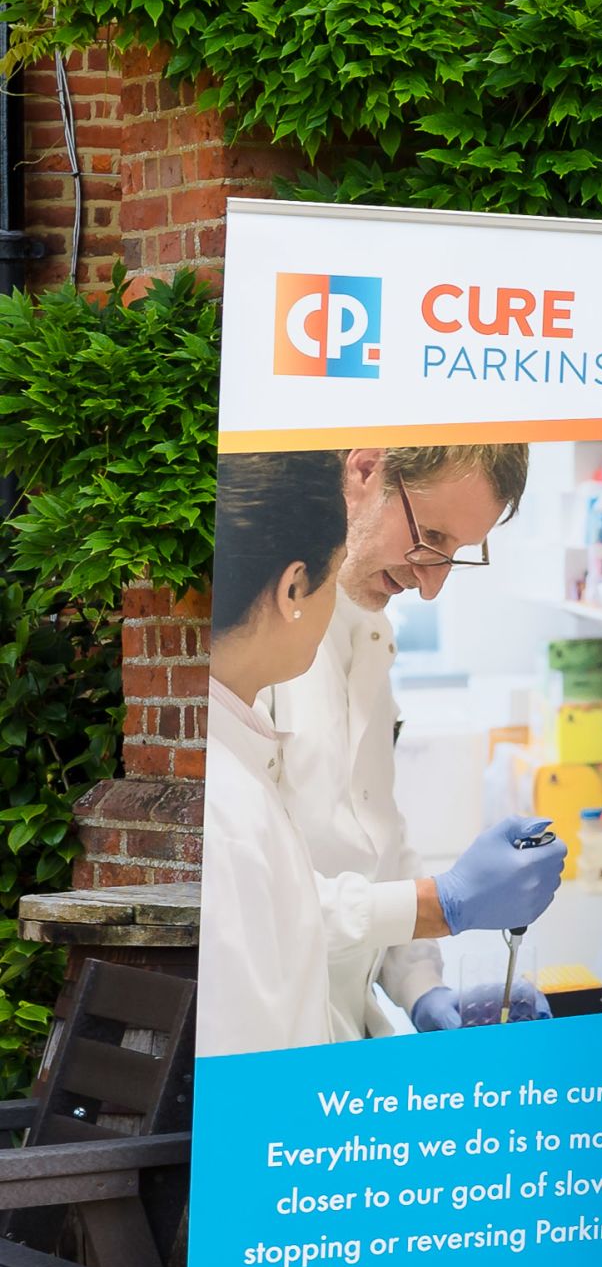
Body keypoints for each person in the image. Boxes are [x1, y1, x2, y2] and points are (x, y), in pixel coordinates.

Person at [264, 442, 565, 1026]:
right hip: (271, 1036)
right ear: (365, 469)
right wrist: (439, 904)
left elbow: (375, 834)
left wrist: (420, 985)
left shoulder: (369, 633)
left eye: (453, 555)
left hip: (343, 1028)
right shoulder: (262, 651)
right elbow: (255, 903)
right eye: (429, 536)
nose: (431, 586)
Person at [200, 451, 379, 1056]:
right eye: (333, 577)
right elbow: (247, 1070)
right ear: (294, 587)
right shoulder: (227, 811)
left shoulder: (230, 761)